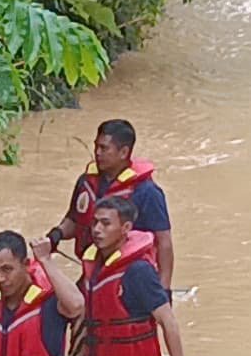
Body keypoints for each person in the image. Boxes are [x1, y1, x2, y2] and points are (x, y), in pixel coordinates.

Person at [72, 195, 197, 356]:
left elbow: (168, 321)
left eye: (106, 224)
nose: (96, 229)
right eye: (94, 223)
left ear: (126, 228)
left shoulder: (138, 272)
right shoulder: (95, 266)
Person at [47, 118, 173, 287]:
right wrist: (57, 234)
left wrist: (164, 290)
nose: (97, 153)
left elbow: (163, 243)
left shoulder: (147, 192)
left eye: (104, 148)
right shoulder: (86, 182)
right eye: (96, 146)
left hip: (132, 274)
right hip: (93, 269)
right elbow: (75, 220)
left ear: (123, 152)